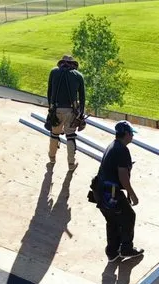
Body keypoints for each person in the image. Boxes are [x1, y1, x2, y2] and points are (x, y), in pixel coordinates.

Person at [92, 121, 144, 262]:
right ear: (126, 134)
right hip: (111, 192)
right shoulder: (122, 150)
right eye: (131, 133)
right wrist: (132, 194)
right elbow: (122, 175)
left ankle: (112, 252)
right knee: (128, 216)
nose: (132, 136)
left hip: (101, 191)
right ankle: (126, 248)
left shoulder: (112, 146)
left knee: (112, 220)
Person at [46, 54, 86, 171]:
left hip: (56, 109)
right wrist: (81, 113)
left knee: (54, 135)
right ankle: (71, 164)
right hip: (71, 111)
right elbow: (82, 97)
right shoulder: (78, 76)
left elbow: (49, 92)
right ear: (73, 64)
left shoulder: (54, 72)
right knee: (71, 137)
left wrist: (50, 108)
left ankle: (52, 158)